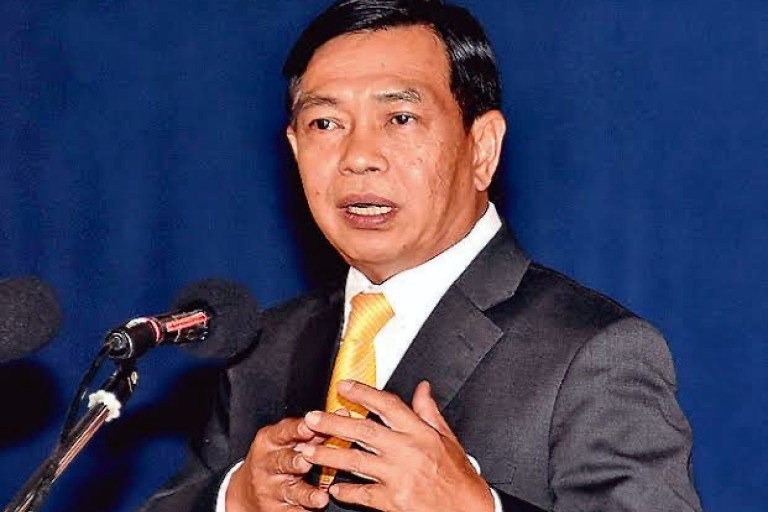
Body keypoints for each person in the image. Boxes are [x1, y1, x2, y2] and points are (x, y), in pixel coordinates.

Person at [139, 1, 702, 511]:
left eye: (400, 119)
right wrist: (235, 499)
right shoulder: (263, 350)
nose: (359, 156)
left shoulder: (594, 351)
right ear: (294, 147)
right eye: (325, 123)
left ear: (482, 148)